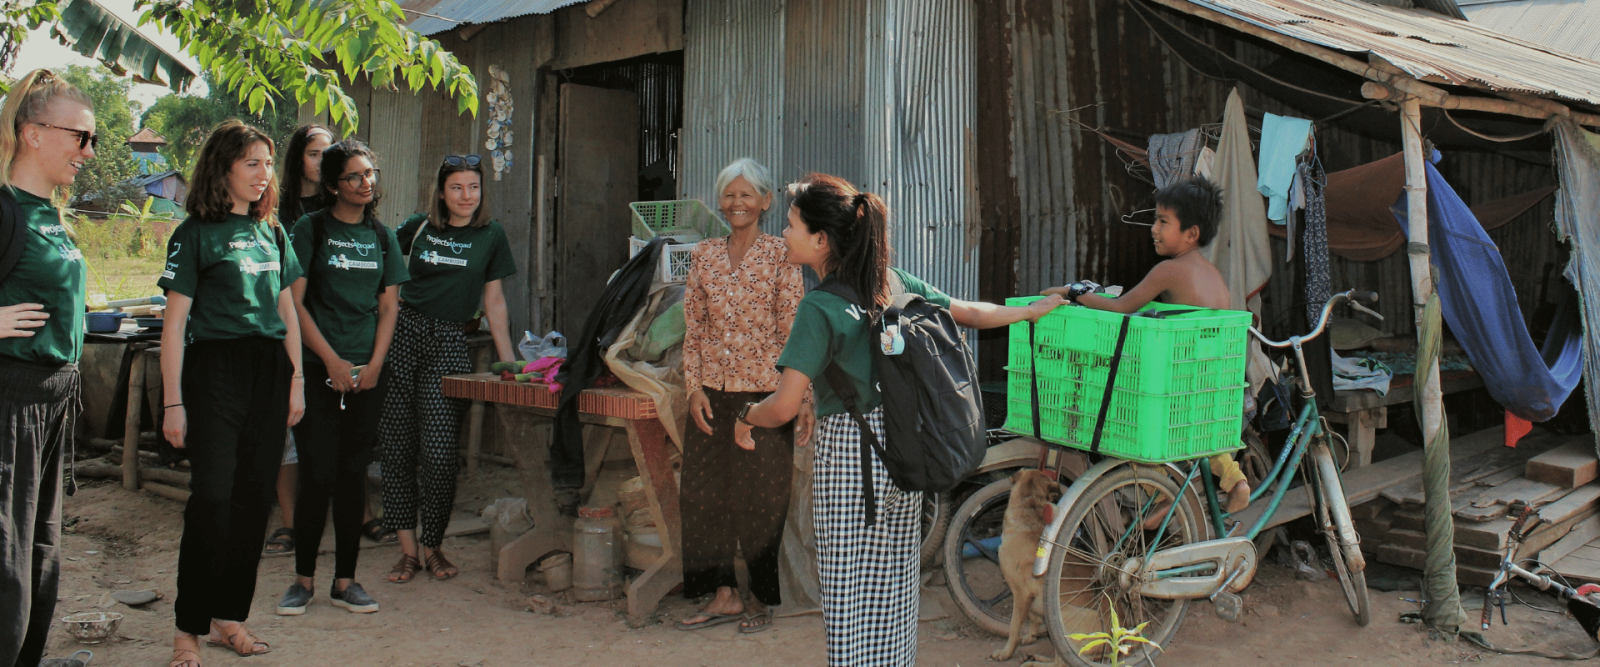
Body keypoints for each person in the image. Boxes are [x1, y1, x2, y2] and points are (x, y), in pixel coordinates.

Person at [732, 174, 1065, 666]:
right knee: (894, 584)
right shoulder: (891, 281)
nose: (783, 233)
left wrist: (746, 416)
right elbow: (970, 313)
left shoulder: (819, 307)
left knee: (849, 592)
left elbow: (781, 406)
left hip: (851, 457)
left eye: (791, 225)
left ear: (821, 240)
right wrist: (1031, 311)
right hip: (905, 446)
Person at [159, 120, 304, 667]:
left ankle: (229, 617)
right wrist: (173, 402)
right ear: (222, 169)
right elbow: (175, 324)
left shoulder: (274, 232)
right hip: (215, 369)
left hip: (269, 369)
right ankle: (188, 632)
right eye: (251, 163)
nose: (264, 174)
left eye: (267, 164)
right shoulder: (194, 234)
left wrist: (297, 380)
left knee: (252, 498)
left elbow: (287, 310)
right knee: (213, 498)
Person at [1042, 176, 1252, 515]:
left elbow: (1119, 307)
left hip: (1180, 388)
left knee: (1135, 418)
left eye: (1163, 221)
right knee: (1202, 432)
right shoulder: (1211, 272)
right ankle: (1235, 480)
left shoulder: (1169, 270)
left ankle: (1163, 492)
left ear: (1191, 233)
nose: (1153, 229)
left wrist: (1072, 292)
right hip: (1213, 385)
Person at [276, 140, 407, 616]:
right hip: (317, 371)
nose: (365, 182)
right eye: (354, 176)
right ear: (332, 185)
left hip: (368, 374)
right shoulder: (311, 229)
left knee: (353, 476)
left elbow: (389, 307)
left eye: (369, 173)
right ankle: (303, 581)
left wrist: (374, 365)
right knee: (317, 474)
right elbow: (294, 304)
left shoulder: (382, 237)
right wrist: (330, 360)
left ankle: (346, 582)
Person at [676, 159, 806, 634]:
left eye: (747, 194)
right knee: (702, 494)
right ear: (719, 201)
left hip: (765, 397)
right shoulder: (705, 254)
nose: (737, 203)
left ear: (765, 201)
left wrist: (803, 397)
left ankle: (759, 597)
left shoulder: (781, 255)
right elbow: (694, 329)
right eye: (729, 195)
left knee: (761, 499)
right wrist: (693, 387)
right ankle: (724, 593)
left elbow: (794, 330)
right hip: (712, 393)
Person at [382, 154, 516, 583]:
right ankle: (407, 551)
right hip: (402, 337)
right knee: (398, 450)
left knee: (440, 456)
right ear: (442, 192)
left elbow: (494, 302)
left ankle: (433, 545)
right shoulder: (417, 227)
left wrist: (510, 363)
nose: (466, 196)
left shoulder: (491, 235)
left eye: (473, 187)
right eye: (456, 187)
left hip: (449, 343)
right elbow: (384, 277)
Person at [0, 68, 94, 667]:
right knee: (6, 562)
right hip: (11, 402)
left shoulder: (47, 213)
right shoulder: (4, 208)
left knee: (40, 553)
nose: (89, 151)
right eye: (80, 137)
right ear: (33, 134)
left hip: (53, 402)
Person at [264, 123, 333, 557]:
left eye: (329, 153)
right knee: (286, 427)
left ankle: (356, 514)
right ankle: (289, 522)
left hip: (329, 326)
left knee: (335, 427)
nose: (322, 162)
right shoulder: (277, 210)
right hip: (283, 325)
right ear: (297, 158)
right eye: (314, 153)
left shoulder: (341, 205)